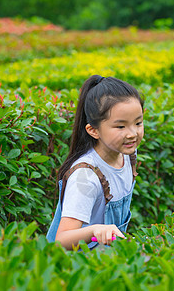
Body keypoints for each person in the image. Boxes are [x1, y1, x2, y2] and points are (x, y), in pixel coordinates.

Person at [46, 75, 144, 250]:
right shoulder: (85, 178)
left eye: (138, 123)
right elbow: (61, 240)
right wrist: (95, 230)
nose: (132, 133)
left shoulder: (127, 154)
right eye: (120, 126)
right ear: (93, 130)